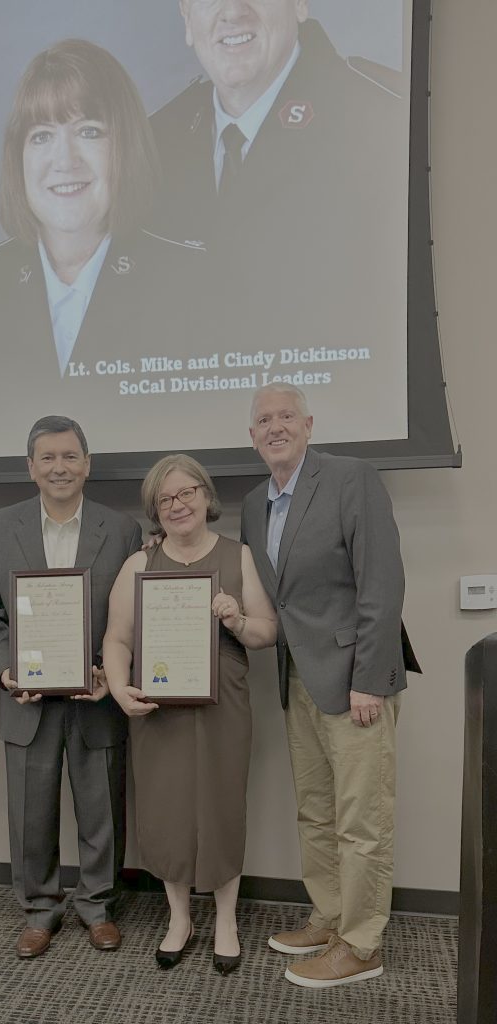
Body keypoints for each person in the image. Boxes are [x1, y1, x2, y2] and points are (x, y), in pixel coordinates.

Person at [241, 383, 419, 987]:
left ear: (309, 424)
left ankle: (362, 943)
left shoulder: (351, 478)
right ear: (252, 435)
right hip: (297, 681)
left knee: (361, 818)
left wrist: (371, 679)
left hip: (354, 684)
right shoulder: (252, 505)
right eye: (263, 420)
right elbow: (274, 600)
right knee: (316, 813)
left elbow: (381, 583)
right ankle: (330, 916)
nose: (275, 426)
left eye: (285, 415)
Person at [150, 2, 408, 414]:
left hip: (340, 436)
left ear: (300, 4)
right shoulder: (151, 146)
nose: (232, 11)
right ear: (186, 18)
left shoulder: (383, 120)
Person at [0, 415, 142, 958]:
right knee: (30, 811)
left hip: (96, 695)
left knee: (101, 808)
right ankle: (40, 909)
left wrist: (110, 675)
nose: (59, 467)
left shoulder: (121, 529)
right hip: (28, 698)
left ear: (87, 465)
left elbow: (134, 617)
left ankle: (97, 905)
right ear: (31, 468)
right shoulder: (1, 526)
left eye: (70, 456)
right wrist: (3, 670)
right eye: (48, 458)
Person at [0, 38, 206, 448]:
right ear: (18, 157)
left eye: (89, 131)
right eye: (42, 136)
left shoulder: (191, 280)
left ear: (125, 147)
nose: (65, 160)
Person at [103, 454, 276, 971]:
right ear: (155, 510)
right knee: (166, 808)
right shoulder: (139, 564)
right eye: (165, 498)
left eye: (186, 493)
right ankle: (179, 916)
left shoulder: (237, 556)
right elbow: (117, 637)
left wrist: (238, 619)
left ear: (205, 496)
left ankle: (226, 919)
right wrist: (116, 686)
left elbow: (268, 632)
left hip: (224, 702)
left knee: (223, 806)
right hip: (159, 707)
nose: (177, 505)